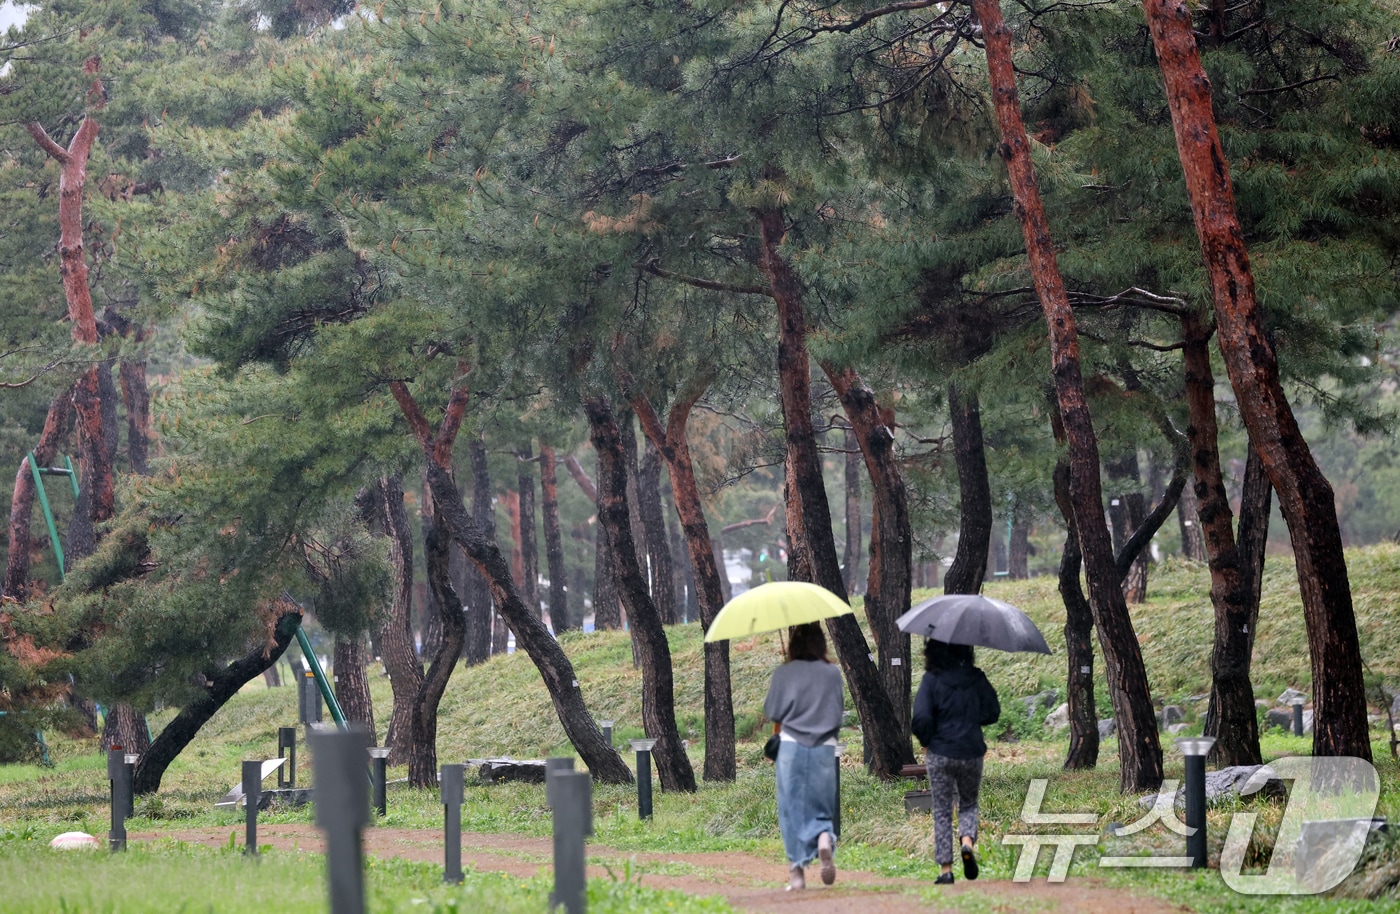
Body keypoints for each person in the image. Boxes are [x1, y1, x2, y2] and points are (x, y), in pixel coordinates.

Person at [763, 621, 845, 890]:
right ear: (821, 643)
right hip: (824, 747)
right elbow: (838, 711)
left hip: (791, 748)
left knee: (791, 809)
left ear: (794, 645)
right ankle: (823, 838)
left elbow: (773, 711)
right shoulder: (832, 673)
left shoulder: (784, 673)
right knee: (822, 806)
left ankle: (797, 874)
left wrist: (785, 678)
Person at [911, 639, 1000, 885]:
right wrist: (971, 720)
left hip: (940, 752)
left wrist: (927, 740)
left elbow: (920, 717)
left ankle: (946, 870)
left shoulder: (931, 679)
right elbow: (992, 712)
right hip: (971, 751)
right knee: (969, 803)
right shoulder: (976, 677)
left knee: (941, 809)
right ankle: (967, 842)